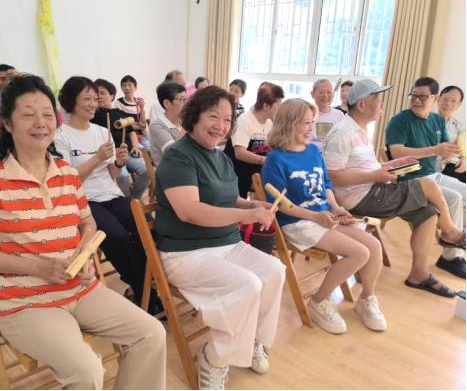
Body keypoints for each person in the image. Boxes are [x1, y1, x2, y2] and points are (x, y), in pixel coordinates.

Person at [0, 75, 166, 389]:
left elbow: (88, 224)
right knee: (86, 370)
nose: (40, 122)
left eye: (46, 113)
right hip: (24, 301)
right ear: (7, 124)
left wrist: (85, 259)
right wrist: (39, 267)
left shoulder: (66, 173)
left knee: (151, 334)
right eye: (28, 114)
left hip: (79, 288)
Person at [155, 86, 285, 390]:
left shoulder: (220, 157)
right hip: (186, 253)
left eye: (227, 120)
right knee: (247, 284)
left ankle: (252, 340)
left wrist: (252, 205)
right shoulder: (178, 156)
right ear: (195, 116)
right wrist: (246, 216)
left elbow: (230, 200)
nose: (221, 126)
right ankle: (214, 358)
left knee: (275, 271)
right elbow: (189, 211)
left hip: (226, 244)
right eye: (213, 116)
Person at [325, 79, 465, 297]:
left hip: (373, 190)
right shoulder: (343, 133)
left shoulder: (359, 131)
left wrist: (387, 166)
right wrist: (374, 175)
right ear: (362, 105)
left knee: (428, 212)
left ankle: (418, 274)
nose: (382, 106)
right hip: (361, 198)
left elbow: (361, 167)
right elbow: (332, 177)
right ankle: (449, 231)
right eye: (378, 101)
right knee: (428, 185)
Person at [262, 98, 387, 334]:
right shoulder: (275, 159)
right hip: (297, 222)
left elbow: (326, 184)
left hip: (323, 216)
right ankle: (318, 301)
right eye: (305, 123)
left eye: (313, 122)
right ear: (288, 124)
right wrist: (315, 216)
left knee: (374, 246)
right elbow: (282, 206)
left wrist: (335, 207)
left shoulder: (313, 151)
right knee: (359, 253)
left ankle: (366, 299)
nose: (311, 128)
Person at [54, 76, 162, 315]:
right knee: (118, 237)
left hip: (111, 194)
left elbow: (111, 174)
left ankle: (145, 289)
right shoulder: (60, 136)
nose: (93, 103)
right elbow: (68, 182)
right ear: (71, 101)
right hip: (85, 201)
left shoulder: (102, 132)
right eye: (87, 99)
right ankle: (145, 292)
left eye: (95, 98)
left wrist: (119, 163)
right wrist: (97, 158)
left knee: (147, 228)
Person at [386, 77, 466, 279]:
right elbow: (396, 152)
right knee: (455, 198)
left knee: (462, 192)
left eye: (423, 96)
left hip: (434, 175)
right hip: (410, 179)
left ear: (434, 99)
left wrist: (460, 155)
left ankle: (452, 246)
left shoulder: (437, 120)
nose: (416, 100)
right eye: (414, 95)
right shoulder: (399, 120)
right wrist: (435, 150)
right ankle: (451, 256)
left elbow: (445, 150)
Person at [92, 78, 150, 199]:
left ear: (112, 96)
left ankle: (134, 199)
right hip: (110, 155)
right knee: (123, 176)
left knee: (147, 171)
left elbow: (131, 132)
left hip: (126, 151)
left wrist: (135, 146)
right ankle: (127, 201)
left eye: (102, 93)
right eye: (96, 94)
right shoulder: (93, 116)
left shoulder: (120, 113)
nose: (99, 97)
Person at [228, 83, 284, 198]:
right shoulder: (245, 120)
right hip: (238, 172)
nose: (280, 108)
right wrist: (265, 160)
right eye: (278, 104)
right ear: (266, 106)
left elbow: (270, 149)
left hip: (257, 170)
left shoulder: (269, 123)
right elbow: (240, 153)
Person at [149, 81, 186, 166]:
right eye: (181, 100)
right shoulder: (156, 126)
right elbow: (173, 153)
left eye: (185, 99)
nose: (185, 103)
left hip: (189, 166)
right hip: (170, 170)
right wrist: (187, 126)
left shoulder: (183, 121)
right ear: (167, 103)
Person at [437, 85, 465, 183]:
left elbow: (464, 149)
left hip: (455, 166)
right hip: (435, 167)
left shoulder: (459, 126)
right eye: (445, 99)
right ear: (438, 99)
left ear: (459, 105)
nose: (448, 104)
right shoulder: (425, 122)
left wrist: (464, 159)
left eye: (453, 101)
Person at [115, 75, 149, 148]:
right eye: (124, 85)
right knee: (142, 149)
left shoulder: (139, 101)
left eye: (130, 85)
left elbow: (143, 125)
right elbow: (121, 124)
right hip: (128, 136)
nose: (127, 88)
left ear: (135, 87)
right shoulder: (118, 103)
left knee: (150, 147)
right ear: (121, 88)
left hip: (141, 136)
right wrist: (138, 126)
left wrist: (142, 108)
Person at [310, 79, 345, 149]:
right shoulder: (305, 114)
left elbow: (343, 139)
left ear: (333, 95)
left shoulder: (339, 115)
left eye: (329, 92)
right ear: (312, 94)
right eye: (321, 92)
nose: (325, 95)